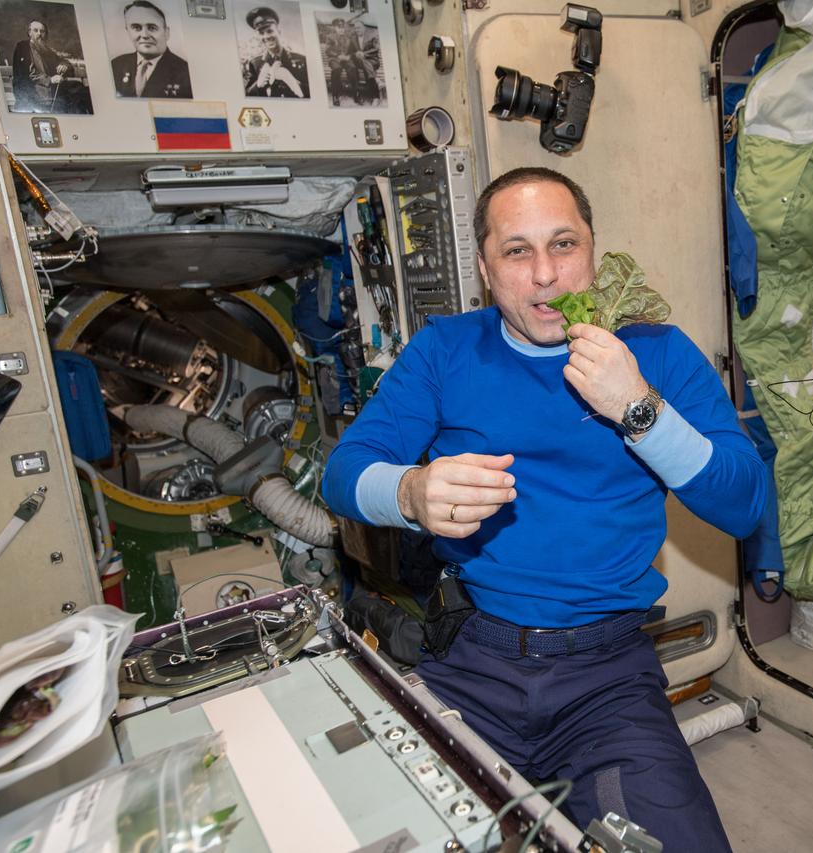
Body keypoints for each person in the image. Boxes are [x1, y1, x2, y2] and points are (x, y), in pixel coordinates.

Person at [322, 167, 767, 851]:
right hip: (475, 659)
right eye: (517, 250)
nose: (545, 275)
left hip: (609, 678)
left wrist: (638, 409)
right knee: (361, 824)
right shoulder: (446, 351)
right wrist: (410, 490)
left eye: (564, 245)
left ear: (593, 250)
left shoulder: (655, 353)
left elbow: (745, 502)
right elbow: (343, 473)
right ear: (484, 267)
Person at [110, 0, 192, 99]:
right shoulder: (115, 65)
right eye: (136, 27)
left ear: (166, 33)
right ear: (128, 31)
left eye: (152, 28)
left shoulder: (185, 72)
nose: (144, 35)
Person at [241, 7, 309, 98]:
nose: (266, 36)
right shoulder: (255, 63)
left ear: (279, 32)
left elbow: (316, 94)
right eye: (261, 33)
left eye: (270, 31)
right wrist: (257, 85)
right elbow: (246, 96)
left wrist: (294, 82)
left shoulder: (302, 59)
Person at [11, 21, 72, 112]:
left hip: (47, 94)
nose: (39, 34)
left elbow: (62, 60)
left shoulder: (45, 49)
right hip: (32, 97)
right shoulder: (22, 48)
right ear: (29, 33)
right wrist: (50, 80)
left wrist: (64, 65)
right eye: (36, 30)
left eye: (42, 31)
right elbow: (27, 74)